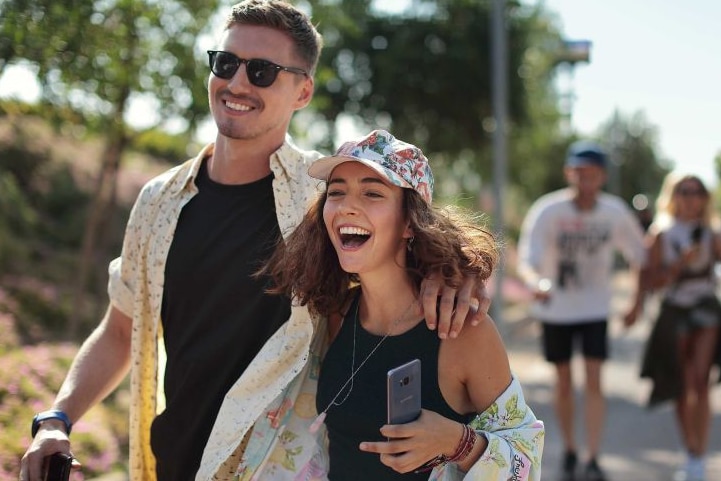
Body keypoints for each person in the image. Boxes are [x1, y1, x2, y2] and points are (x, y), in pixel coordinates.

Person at [19, 2, 489, 481]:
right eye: (226, 64)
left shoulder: (323, 198)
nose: (238, 83)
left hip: (274, 466)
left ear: (303, 90)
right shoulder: (159, 202)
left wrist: (456, 274)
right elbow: (119, 332)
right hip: (172, 464)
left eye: (262, 71)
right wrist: (56, 419)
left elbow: (404, 249)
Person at [261, 129, 545, 480]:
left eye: (372, 192)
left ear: (410, 222)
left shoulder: (462, 330)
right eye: (336, 193)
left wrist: (459, 442)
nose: (348, 206)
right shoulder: (332, 315)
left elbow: (526, 461)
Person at [516, 140, 646, 481]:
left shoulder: (614, 213)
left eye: (591, 173)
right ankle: (571, 448)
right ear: (568, 173)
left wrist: (636, 301)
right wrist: (536, 283)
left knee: (593, 381)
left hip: (594, 309)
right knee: (562, 383)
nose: (584, 179)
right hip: (556, 310)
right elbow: (528, 258)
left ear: (601, 176)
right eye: (578, 171)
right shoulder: (549, 211)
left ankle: (593, 455)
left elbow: (639, 255)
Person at [627, 173, 721, 481]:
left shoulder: (711, 233)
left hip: (705, 308)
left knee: (700, 380)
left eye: (697, 191)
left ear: (704, 198)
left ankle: (699, 454)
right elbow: (651, 280)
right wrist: (679, 263)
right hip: (673, 310)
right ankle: (691, 450)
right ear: (673, 195)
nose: (691, 197)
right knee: (681, 385)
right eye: (684, 190)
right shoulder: (660, 234)